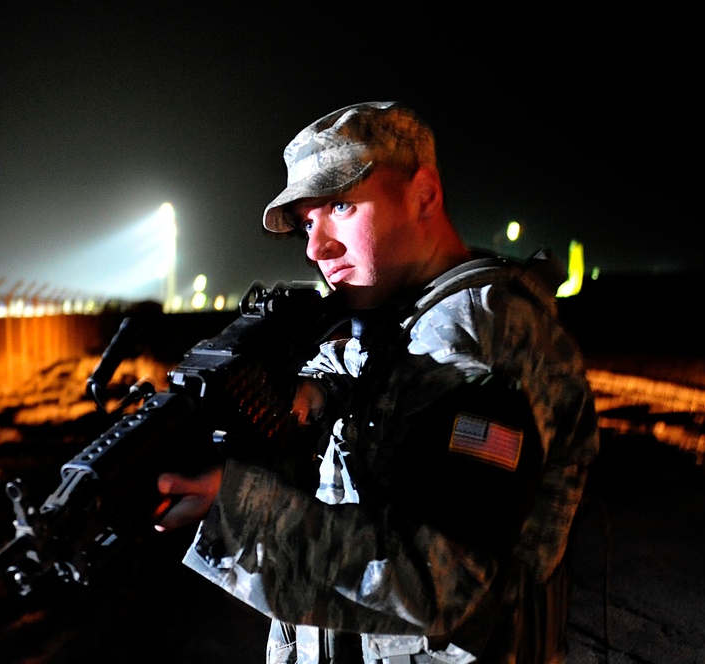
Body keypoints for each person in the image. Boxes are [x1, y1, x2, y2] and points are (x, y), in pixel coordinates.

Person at [155, 101, 600, 663]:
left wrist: (241, 507)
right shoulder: (405, 314)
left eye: (341, 205)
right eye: (309, 224)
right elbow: (367, 366)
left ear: (424, 196)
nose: (318, 248)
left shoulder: (480, 338)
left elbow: (434, 582)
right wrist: (306, 396)